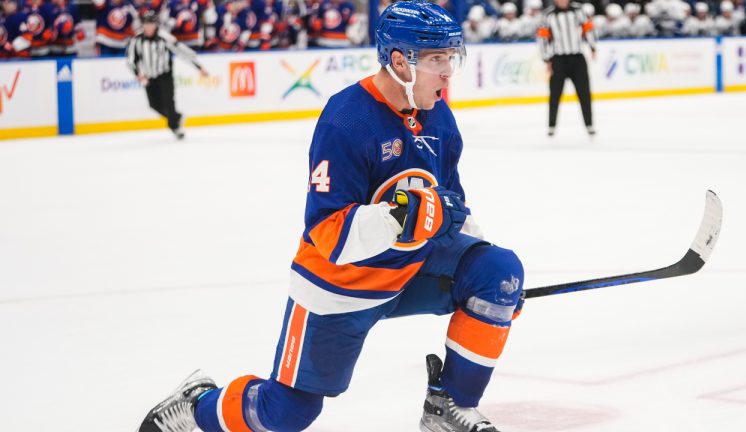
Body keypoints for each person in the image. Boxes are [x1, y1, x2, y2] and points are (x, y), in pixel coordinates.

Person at [136, 1, 526, 432]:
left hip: (412, 270)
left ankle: (448, 409)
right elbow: (327, 233)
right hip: (341, 286)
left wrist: (492, 297)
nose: (449, 71)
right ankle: (196, 408)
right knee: (285, 414)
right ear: (400, 62)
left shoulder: (439, 118)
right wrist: (400, 217)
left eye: (452, 57)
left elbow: (451, 210)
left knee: (498, 269)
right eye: (437, 59)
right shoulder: (348, 120)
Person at [126, 10, 208, 139]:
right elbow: (131, 60)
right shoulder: (137, 40)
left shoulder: (164, 37)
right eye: (146, 24)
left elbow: (182, 52)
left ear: (156, 25)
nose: (149, 27)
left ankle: (176, 128)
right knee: (154, 105)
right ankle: (177, 117)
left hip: (165, 74)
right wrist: (138, 74)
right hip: (148, 77)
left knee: (169, 102)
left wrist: (199, 67)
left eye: (151, 24)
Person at [537, 0, 597, 136]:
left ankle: (589, 124)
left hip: (577, 58)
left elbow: (588, 29)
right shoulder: (548, 15)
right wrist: (546, 59)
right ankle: (551, 126)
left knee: (584, 93)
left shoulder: (579, 10)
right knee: (555, 95)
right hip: (558, 59)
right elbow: (542, 38)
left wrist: (593, 47)